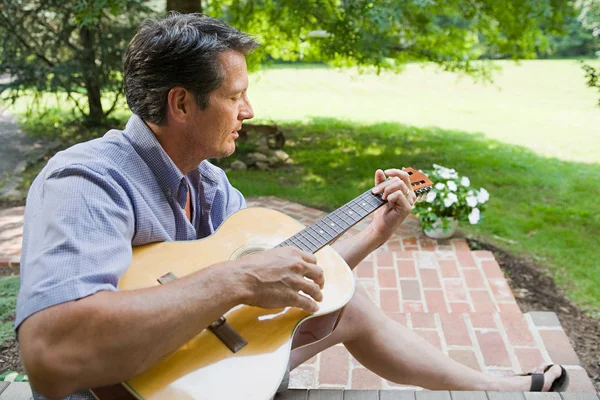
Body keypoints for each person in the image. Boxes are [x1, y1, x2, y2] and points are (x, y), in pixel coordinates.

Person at [15, 13, 567, 400]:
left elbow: (276, 284)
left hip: (198, 367)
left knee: (349, 306)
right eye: (236, 95)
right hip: (109, 391)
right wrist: (233, 280)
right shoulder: (88, 179)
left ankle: (495, 387)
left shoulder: (209, 185)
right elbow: (52, 357)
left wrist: (373, 233)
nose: (249, 111)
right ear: (182, 103)